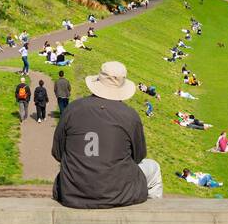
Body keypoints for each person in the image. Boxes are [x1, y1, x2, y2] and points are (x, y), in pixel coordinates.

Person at [51, 60, 163, 209]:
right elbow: (138, 157)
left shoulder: (72, 109)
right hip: (118, 193)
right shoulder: (130, 115)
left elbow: (58, 153)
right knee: (153, 167)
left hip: (72, 192)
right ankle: (152, 216)